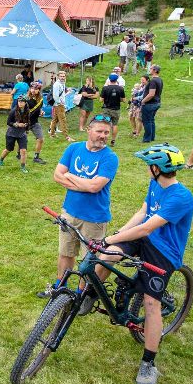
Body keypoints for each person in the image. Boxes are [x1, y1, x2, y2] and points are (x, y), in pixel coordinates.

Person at [90, 143, 193, 384]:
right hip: (143, 238)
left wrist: (107, 237)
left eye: (150, 165)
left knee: (151, 303)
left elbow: (149, 226)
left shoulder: (181, 197)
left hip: (164, 252)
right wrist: (117, 236)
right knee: (108, 255)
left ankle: (148, 363)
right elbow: (143, 212)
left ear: (158, 168)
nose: (148, 169)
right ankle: (91, 294)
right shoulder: (155, 184)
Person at [40, 116, 118, 299]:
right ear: (88, 130)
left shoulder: (109, 158)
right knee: (65, 252)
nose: (103, 136)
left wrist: (71, 177)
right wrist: (83, 183)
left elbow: (94, 187)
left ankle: (81, 294)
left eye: (106, 132)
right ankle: (60, 286)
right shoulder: (73, 148)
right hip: (69, 212)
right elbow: (57, 175)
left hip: (94, 218)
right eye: (99, 131)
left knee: (88, 260)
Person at [0, 96, 32, 173]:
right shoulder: (13, 111)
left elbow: (28, 121)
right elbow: (8, 122)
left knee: (23, 150)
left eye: (22, 102)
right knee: (8, 149)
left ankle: (23, 167)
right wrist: (17, 124)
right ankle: (0, 160)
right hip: (11, 134)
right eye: (19, 101)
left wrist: (26, 128)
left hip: (22, 134)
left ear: (25, 103)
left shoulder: (27, 111)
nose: (20, 103)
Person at [99, 75, 126, 146]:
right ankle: (113, 140)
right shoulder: (120, 88)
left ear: (109, 80)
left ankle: (104, 140)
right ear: (117, 80)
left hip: (106, 109)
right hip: (116, 109)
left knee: (105, 124)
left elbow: (101, 100)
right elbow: (124, 100)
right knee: (115, 124)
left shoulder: (105, 88)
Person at [140, 65, 163, 143]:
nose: (149, 69)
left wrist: (143, 101)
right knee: (151, 120)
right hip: (156, 103)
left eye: (151, 68)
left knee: (147, 121)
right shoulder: (160, 79)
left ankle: (147, 139)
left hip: (150, 104)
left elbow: (151, 94)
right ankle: (152, 137)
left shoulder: (153, 81)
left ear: (155, 70)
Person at [25, 82, 47, 164]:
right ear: (30, 89)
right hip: (25, 122)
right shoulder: (25, 98)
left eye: (36, 89)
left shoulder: (40, 99)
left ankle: (36, 157)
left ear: (39, 90)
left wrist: (41, 112)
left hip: (34, 122)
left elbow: (38, 109)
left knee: (40, 139)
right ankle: (19, 154)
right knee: (23, 139)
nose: (33, 90)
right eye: (32, 88)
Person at [48, 71, 71, 141]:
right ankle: (67, 137)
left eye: (63, 76)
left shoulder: (62, 83)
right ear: (58, 77)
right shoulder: (57, 84)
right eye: (61, 76)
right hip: (58, 105)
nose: (62, 77)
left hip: (59, 104)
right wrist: (59, 103)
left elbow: (62, 94)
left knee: (55, 119)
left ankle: (52, 134)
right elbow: (55, 96)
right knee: (63, 120)